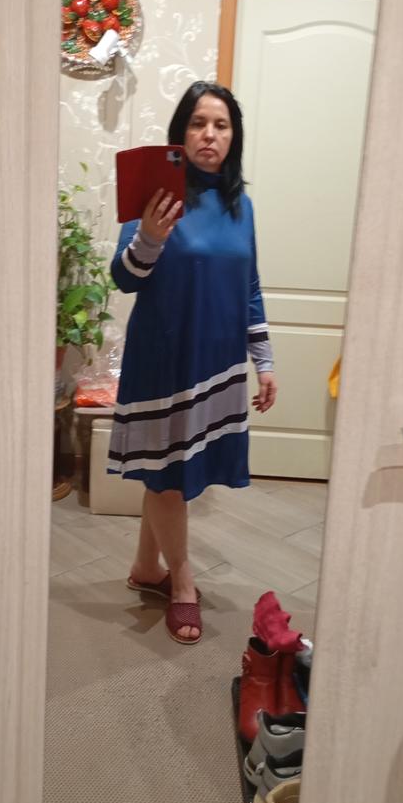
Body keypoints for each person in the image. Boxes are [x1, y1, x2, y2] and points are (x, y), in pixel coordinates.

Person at [108, 81, 277, 644]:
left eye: (221, 125)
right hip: (164, 358)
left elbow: (249, 286)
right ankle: (182, 580)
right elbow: (125, 277)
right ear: (181, 133)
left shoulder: (240, 207)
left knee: (171, 472)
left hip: (217, 358)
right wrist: (150, 237)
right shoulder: (158, 195)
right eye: (199, 123)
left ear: (234, 137)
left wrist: (264, 360)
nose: (209, 134)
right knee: (170, 476)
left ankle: (146, 567)